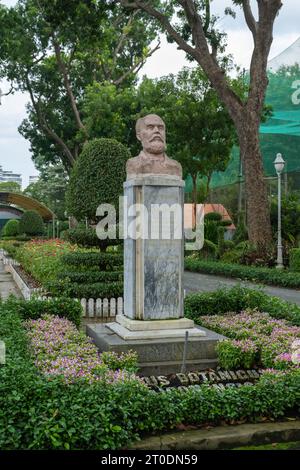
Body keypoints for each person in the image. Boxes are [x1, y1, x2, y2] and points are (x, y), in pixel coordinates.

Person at [126, 114, 182, 179]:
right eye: (150, 127)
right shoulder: (133, 164)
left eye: (160, 128)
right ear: (139, 136)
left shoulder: (175, 166)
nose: (157, 130)